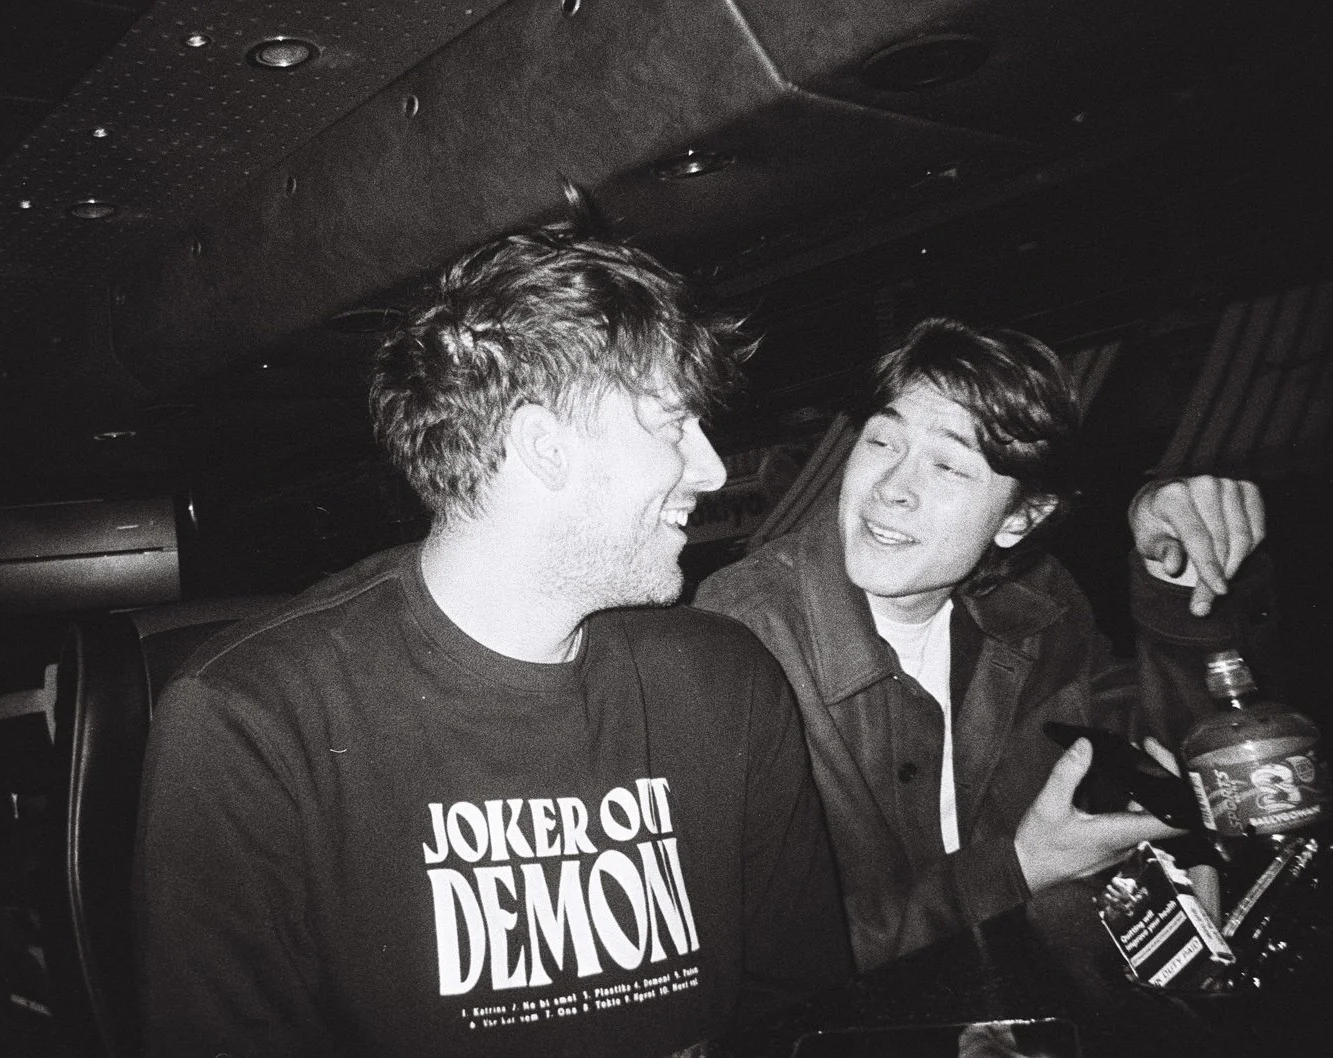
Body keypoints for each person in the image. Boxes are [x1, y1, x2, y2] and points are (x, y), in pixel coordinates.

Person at [133, 223, 852, 1057]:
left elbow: (802, 1018)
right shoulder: (252, 719)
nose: (712, 469)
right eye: (672, 425)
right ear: (544, 447)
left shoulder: (725, 680)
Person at [694, 317, 1274, 971]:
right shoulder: (742, 634)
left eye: (946, 465)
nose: (890, 489)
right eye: (881, 441)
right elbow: (757, 956)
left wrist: (1179, 589)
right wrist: (1017, 869)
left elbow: (1177, 765)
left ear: (1020, 519)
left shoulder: (1038, 603)